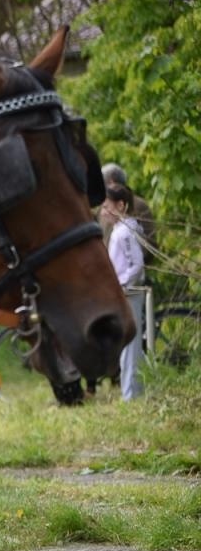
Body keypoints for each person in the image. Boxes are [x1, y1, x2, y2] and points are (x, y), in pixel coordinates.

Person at [105, 183, 146, 400]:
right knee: (128, 344)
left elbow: (136, 264)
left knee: (130, 346)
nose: (104, 211)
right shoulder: (119, 230)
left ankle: (131, 395)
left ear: (121, 205)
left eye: (107, 206)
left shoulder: (125, 232)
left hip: (129, 294)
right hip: (123, 293)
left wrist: (121, 284)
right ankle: (132, 390)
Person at [99, 163, 156, 247]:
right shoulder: (104, 205)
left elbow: (149, 242)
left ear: (111, 182)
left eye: (102, 184)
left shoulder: (139, 205)